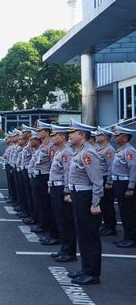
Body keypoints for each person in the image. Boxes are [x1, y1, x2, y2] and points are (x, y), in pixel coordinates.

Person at [64, 119, 103, 285]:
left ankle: (92, 274)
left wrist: (95, 203)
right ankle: (85, 268)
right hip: (79, 196)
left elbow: (97, 181)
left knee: (89, 236)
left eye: (73, 132)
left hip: (86, 198)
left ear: (82, 135)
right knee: (82, 234)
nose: (70, 135)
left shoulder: (88, 154)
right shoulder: (78, 152)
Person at [48, 124, 77, 263]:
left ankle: (69, 251)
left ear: (62, 137)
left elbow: (68, 173)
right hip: (55, 187)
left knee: (66, 221)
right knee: (60, 219)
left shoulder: (67, 152)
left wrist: (67, 190)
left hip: (62, 190)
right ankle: (64, 249)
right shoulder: (60, 151)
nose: (52, 137)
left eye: (55, 135)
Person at [107, 125, 136, 248]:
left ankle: (132, 238)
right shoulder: (121, 150)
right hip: (119, 183)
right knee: (124, 212)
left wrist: (131, 188)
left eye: (118, 135)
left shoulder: (129, 151)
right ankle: (127, 237)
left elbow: (134, 169)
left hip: (125, 184)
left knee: (129, 213)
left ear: (124, 138)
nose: (115, 137)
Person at [94, 126, 117, 236]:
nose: (96, 137)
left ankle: (111, 226)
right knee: (102, 204)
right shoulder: (100, 148)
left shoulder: (109, 150)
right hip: (100, 178)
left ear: (105, 137)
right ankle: (106, 224)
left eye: (99, 135)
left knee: (107, 204)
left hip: (105, 179)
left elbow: (111, 167)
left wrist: (109, 181)